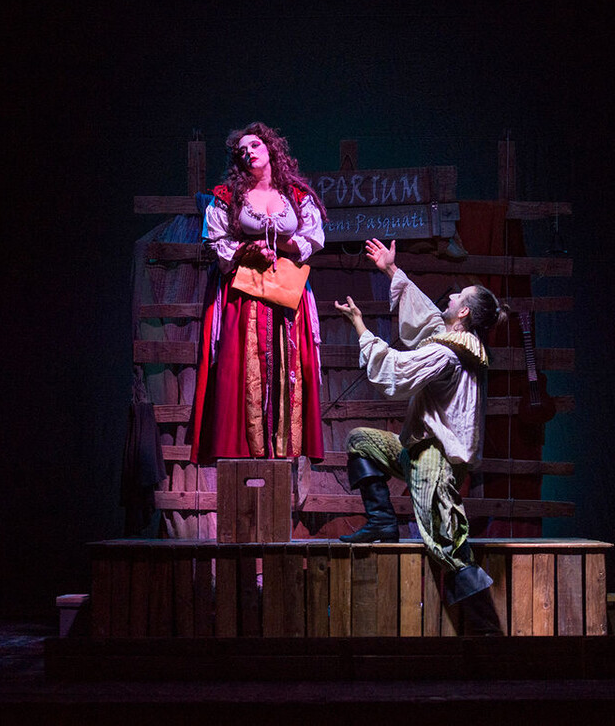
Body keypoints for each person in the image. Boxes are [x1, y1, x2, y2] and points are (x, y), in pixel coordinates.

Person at [333, 237, 507, 633]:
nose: (450, 297)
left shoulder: (448, 353)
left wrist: (360, 326)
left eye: (457, 297)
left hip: (435, 460)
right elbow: (428, 318)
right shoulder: (454, 340)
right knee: (360, 441)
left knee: (446, 544)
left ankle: (488, 635)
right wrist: (391, 270)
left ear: (463, 312)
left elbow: (396, 370)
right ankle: (382, 522)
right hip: (415, 450)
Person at [189, 122, 327, 463]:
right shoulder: (228, 197)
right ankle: (244, 452)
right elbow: (216, 241)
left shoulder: (296, 195)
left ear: (271, 149)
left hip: (287, 294)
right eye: (242, 151)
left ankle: (284, 450)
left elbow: (313, 237)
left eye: (255, 146)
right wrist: (247, 249)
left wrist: (281, 244)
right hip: (243, 294)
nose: (249, 153)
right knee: (240, 369)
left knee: (288, 366)